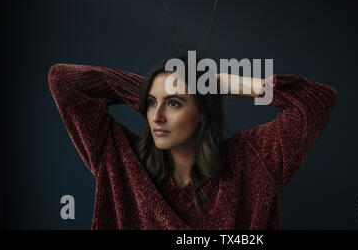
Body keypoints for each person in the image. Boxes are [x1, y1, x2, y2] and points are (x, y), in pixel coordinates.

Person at [48, 55, 337, 229]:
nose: (156, 116)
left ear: (203, 112)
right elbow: (64, 81)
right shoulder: (120, 160)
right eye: (151, 103)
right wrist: (160, 86)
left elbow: (314, 102)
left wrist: (220, 83)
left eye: (173, 104)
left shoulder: (254, 159)